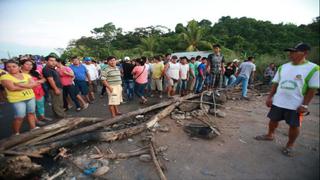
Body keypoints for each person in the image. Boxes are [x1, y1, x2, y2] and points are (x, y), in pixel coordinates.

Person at [255, 43, 319, 157]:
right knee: (273, 120)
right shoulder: (283, 67)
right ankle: (270, 135)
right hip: (278, 101)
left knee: (294, 125)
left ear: (305, 53)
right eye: (290, 51)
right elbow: (276, 83)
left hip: (295, 104)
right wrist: (270, 97)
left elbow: (312, 89)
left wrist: (305, 105)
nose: (291, 54)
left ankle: (290, 145)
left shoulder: (313, 68)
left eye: (294, 52)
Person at [0, 60, 39, 135]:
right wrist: (28, 86)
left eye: (14, 66)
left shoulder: (26, 75)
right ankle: (16, 133)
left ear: (19, 67)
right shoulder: (4, 77)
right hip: (17, 100)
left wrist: (18, 84)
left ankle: (33, 128)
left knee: (31, 113)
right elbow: (12, 88)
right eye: (8, 67)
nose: (11, 68)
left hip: (30, 97)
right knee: (20, 117)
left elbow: (33, 85)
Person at [20, 59, 51, 125]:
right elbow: (21, 84)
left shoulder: (34, 72)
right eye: (27, 64)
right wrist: (34, 83)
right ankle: (36, 120)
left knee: (41, 105)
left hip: (39, 91)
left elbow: (44, 79)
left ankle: (43, 117)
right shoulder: (19, 74)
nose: (29, 66)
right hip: (28, 93)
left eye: (31, 64)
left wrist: (37, 82)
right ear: (22, 65)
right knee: (31, 108)